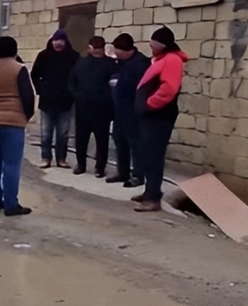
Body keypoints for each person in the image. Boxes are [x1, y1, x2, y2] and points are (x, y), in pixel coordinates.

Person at [133, 26, 189, 212]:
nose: (150, 46)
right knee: (148, 154)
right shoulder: (162, 59)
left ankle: (153, 197)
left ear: (162, 44)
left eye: (153, 43)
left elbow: (168, 89)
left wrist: (149, 104)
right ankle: (149, 191)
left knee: (154, 155)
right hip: (152, 116)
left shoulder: (172, 60)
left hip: (159, 115)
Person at [0, 36, 35, 217]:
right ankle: (11, 204)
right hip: (13, 121)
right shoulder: (19, 69)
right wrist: (26, 116)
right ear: (15, 50)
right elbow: (27, 96)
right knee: (11, 164)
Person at [30, 28, 79, 169]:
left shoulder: (73, 57)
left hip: (66, 102)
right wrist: (41, 89)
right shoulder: (44, 56)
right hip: (47, 101)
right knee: (46, 132)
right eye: (56, 41)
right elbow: (34, 74)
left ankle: (61, 159)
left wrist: (73, 92)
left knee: (63, 133)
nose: (58, 44)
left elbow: (78, 77)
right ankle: (46, 158)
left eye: (61, 41)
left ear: (65, 42)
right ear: (52, 41)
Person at [68, 36, 116, 177]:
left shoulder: (110, 64)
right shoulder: (81, 63)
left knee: (102, 140)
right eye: (96, 50)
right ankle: (81, 164)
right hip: (83, 107)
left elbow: (114, 84)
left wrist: (108, 99)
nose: (98, 54)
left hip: (102, 109)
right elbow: (71, 81)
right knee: (81, 139)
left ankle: (100, 167)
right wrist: (76, 95)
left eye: (100, 51)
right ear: (90, 48)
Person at [108, 33, 151, 188]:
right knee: (119, 140)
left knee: (135, 143)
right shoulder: (120, 62)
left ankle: (138, 175)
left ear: (127, 50)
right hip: (119, 109)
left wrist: (120, 83)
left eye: (117, 50)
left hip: (134, 110)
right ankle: (122, 172)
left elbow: (140, 85)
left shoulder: (141, 63)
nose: (115, 53)